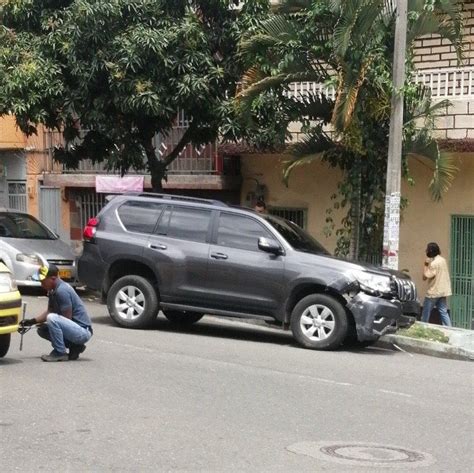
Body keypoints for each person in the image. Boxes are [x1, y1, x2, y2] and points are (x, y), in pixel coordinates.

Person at [20, 264, 93, 361]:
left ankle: (60, 352)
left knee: (52, 319)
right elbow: (50, 311)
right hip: (74, 329)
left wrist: (49, 323)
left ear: (53, 278)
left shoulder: (62, 291)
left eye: (43, 281)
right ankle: (75, 347)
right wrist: (31, 322)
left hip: (82, 332)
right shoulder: (52, 291)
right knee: (42, 329)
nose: (41, 284)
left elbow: (67, 319)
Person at [421, 242, 452, 326]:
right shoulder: (442, 260)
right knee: (443, 312)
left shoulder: (434, 263)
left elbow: (425, 276)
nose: (426, 251)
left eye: (427, 249)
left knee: (425, 313)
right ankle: (450, 329)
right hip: (443, 291)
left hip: (434, 292)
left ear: (430, 251)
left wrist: (426, 265)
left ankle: (422, 328)